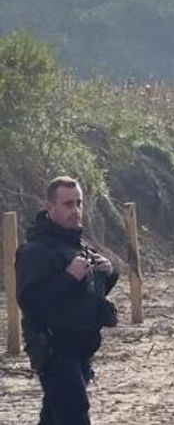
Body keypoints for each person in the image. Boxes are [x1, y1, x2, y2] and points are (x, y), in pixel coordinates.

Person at [17, 177, 119, 425]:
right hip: (54, 346)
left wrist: (109, 273)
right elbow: (29, 301)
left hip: (81, 344)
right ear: (50, 208)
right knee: (74, 412)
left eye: (78, 203)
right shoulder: (35, 251)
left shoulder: (78, 245)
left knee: (54, 416)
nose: (75, 211)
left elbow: (89, 293)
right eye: (68, 204)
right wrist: (68, 277)